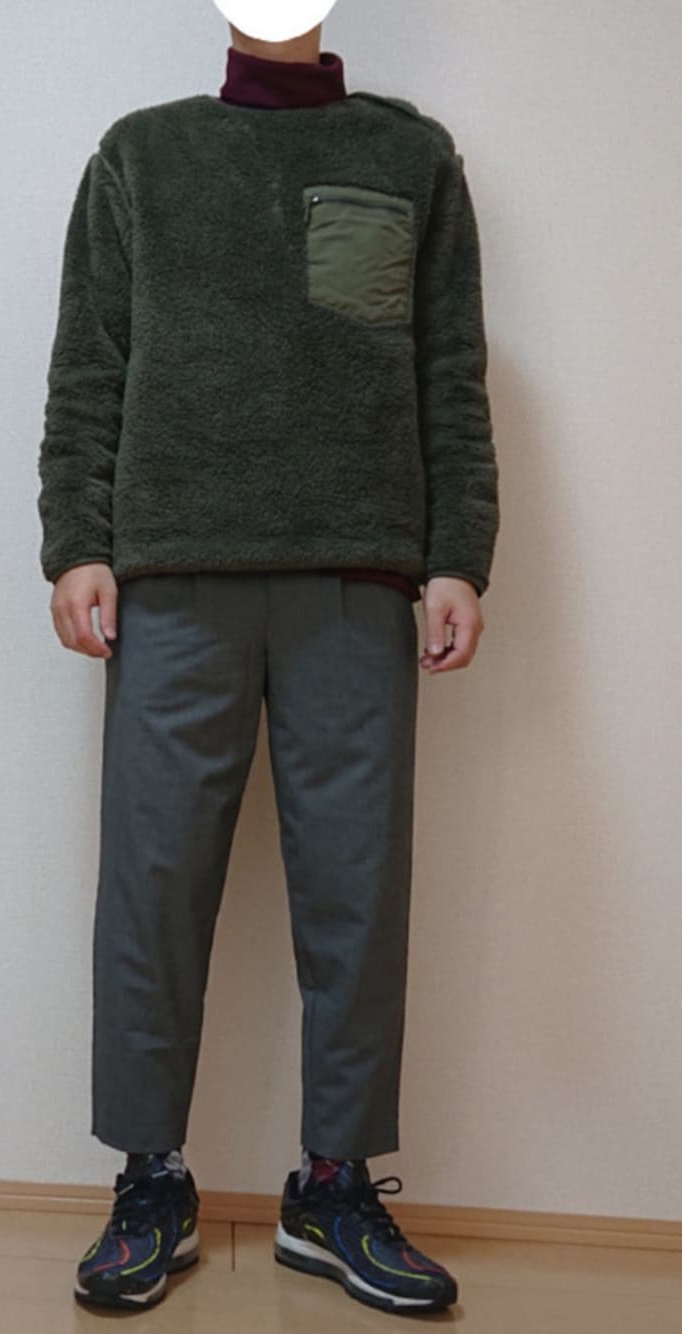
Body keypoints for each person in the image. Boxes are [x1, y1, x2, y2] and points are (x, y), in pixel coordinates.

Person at [36, 12, 499, 1318]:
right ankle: (152, 1182)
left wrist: (458, 553)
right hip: (172, 574)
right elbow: (89, 363)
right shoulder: (142, 156)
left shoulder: (407, 158)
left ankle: (333, 1190)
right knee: (153, 883)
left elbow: (446, 369)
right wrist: (78, 540)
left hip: (358, 574)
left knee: (357, 889)